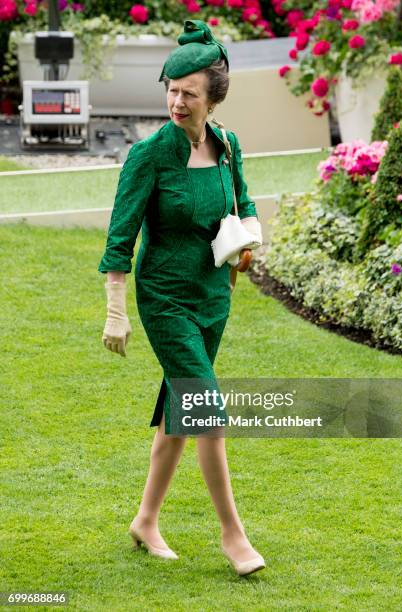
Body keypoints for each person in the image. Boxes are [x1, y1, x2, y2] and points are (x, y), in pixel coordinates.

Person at [98, 19, 265, 576]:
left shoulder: (229, 144)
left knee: (181, 412)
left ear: (211, 98)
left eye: (188, 92)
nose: (176, 100)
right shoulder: (149, 156)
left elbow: (243, 202)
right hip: (166, 298)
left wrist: (248, 240)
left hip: (215, 296)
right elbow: (120, 239)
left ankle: (145, 521)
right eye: (171, 89)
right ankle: (232, 534)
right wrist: (116, 313)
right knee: (206, 409)